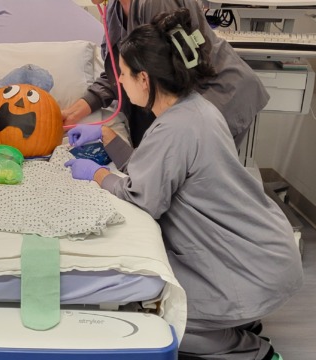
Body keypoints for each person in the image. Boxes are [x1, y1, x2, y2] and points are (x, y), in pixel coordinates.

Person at [64, 9, 302, 360]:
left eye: (125, 76)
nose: (122, 84)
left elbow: (143, 198)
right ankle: (234, 322)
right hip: (267, 255)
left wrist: (97, 174)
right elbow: (157, 171)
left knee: (159, 316)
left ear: (144, 80)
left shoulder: (174, 129)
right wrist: (106, 136)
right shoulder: (196, 109)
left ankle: (251, 351)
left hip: (249, 271)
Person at [62, 0, 269, 149]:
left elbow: (175, 75)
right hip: (183, 104)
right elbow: (119, 72)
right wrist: (75, 112)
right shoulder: (114, 10)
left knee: (197, 189)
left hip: (219, 95)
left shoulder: (158, 3)